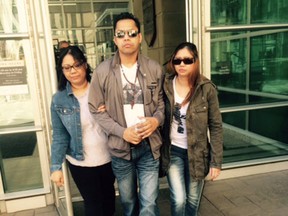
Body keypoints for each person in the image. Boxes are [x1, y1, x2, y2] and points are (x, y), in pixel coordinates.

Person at [88, 12, 165, 216]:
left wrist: (156, 121)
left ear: (139, 37)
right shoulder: (102, 72)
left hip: (149, 147)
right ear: (114, 39)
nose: (126, 38)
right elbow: (95, 109)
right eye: (121, 34)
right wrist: (122, 132)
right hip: (120, 150)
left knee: (149, 204)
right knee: (129, 203)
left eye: (131, 33)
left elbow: (161, 105)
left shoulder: (154, 68)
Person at [50, 46, 115, 216]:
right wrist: (55, 167)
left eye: (77, 65)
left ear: (85, 65)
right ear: (62, 71)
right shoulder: (59, 99)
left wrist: (111, 109)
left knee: (109, 202)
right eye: (67, 67)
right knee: (93, 205)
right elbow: (59, 135)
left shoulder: (103, 90)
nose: (73, 71)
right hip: (81, 162)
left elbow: (120, 119)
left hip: (109, 157)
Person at [160, 42, 223, 216]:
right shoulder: (165, 84)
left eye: (187, 60)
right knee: (179, 199)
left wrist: (216, 162)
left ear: (195, 61)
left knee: (193, 199)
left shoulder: (206, 88)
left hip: (198, 153)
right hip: (173, 151)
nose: (181, 64)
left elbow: (216, 126)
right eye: (177, 60)